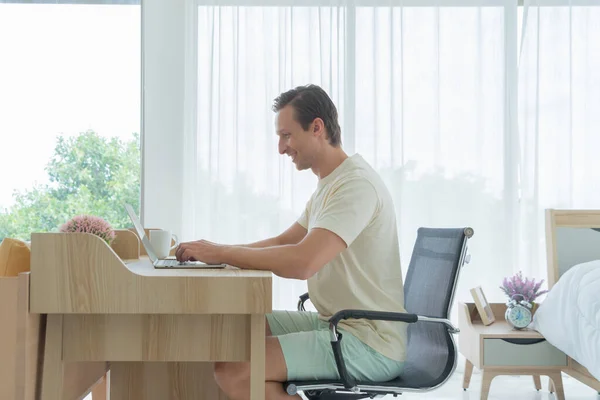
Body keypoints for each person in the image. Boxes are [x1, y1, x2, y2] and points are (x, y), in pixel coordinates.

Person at [175, 84, 407, 400]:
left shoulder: (356, 186)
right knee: (231, 330)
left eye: (286, 136)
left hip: (368, 342)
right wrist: (217, 254)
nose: (282, 148)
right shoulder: (331, 184)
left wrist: (221, 252)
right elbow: (285, 241)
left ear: (316, 128)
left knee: (234, 369)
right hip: (336, 324)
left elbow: (303, 262)